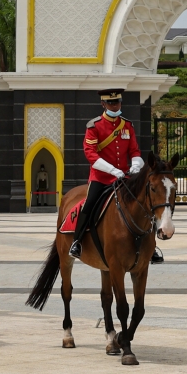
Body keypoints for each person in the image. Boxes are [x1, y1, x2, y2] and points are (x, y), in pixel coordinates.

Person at [69, 89, 164, 264]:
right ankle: (77, 241)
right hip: (101, 178)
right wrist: (112, 170)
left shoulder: (127, 125)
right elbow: (90, 153)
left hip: (125, 178)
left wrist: (135, 164)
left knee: (146, 204)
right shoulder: (94, 126)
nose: (115, 106)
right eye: (111, 103)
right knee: (89, 204)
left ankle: (152, 246)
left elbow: (134, 150)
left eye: (117, 102)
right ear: (103, 104)